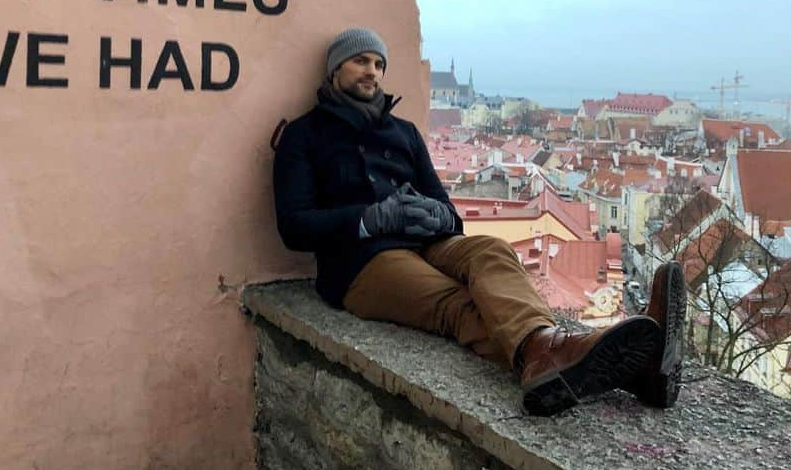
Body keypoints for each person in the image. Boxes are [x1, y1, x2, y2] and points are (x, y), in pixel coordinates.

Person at [273, 27, 686, 415]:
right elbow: (294, 226)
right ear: (335, 69)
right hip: (361, 262)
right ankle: (614, 367)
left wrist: (435, 214)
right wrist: (368, 219)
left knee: (492, 250)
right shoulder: (304, 135)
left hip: (426, 241)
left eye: (379, 64)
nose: (372, 72)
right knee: (456, 303)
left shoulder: (404, 132)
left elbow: (448, 213)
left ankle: (554, 355)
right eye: (361, 61)